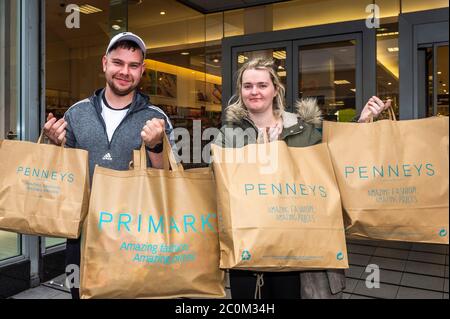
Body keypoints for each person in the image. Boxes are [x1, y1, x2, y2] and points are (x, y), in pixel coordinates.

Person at [215, 58, 390, 299]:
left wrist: (362, 122)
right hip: (247, 246)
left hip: (294, 247)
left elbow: (332, 161)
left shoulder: (301, 129)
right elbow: (220, 181)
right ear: (240, 90)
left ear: (275, 89)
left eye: (262, 85)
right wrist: (264, 149)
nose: (254, 91)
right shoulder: (229, 133)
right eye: (247, 86)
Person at [43, 32, 174, 299]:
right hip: (83, 235)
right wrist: (54, 145)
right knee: (79, 294)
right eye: (118, 63)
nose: (125, 72)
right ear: (105, 63)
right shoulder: (76, 113)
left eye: (133, 65)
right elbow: (61, 177)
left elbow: (169, 182)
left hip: (137, 236)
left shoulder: (156, 118)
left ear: (142, 70)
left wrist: (156, 146)